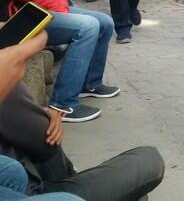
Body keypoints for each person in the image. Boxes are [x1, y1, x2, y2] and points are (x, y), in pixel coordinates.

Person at [0, 82, 165, 200]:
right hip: (36, 189)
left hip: (23, 178)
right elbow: (44, 138)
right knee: (149, 160)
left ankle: (72, 177)